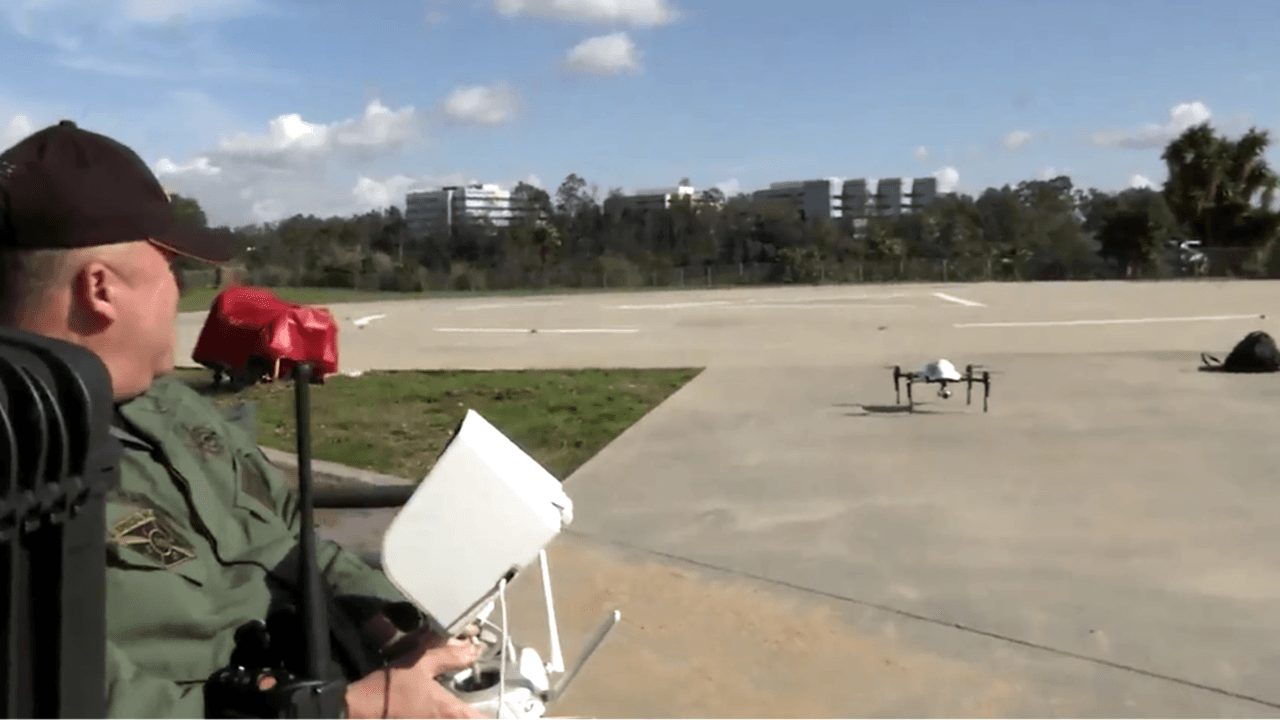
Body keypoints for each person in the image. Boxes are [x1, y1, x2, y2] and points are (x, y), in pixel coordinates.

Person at [0, 120, 485, 718]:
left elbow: (286, 535)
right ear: (100, 289)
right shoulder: (19, 462)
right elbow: (62, 697)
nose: (180, 292)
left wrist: (386, 619)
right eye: (170, 269)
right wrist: (335, 710)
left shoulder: (170, 406)